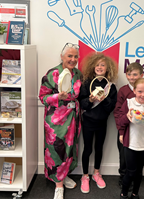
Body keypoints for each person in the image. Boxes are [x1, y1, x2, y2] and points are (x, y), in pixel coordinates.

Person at [39, 43, 82, 199]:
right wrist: (58, 96)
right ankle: (58, 185)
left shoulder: (78, 74)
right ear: (62, 56)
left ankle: (64, 176)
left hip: (73, 117)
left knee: (70, 149)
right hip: (55, 120)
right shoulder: (52, 73)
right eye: (69, 56)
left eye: (75, 56)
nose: (73, 59)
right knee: (56, 149)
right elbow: (42, 97)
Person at [79, 53, 118, 194]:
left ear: (108, 68)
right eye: (97, 65)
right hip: (88, 122)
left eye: (102, 65)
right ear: (92, 67)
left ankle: (96, 173)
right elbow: (82, 104)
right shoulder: (87, 83)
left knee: (99, 148)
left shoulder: (111, 87)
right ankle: (84, 176)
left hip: (102, 122)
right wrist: (89, 100)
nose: (99, 67)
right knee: (87, 149)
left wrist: (103, 99)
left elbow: (111, 107)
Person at [117, 78, 144, 199]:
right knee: (130, 172)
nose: (143, 95)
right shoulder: (129, 103)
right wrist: (126, 118)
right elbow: (120, 121)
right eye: (140, 91)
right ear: (134, 90)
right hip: (130, 144)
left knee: (139, 172)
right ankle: (124, 193)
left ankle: (135, 193)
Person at [114, 62, 143, 188]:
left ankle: (133, 178)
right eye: (129, 74)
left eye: (135, 74)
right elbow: (117, 112)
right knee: (124, 156)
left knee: (136, 156)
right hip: (124, 130)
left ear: (141, 75)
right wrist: (121, 131)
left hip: (139, 131)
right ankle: (123, 178)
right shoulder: (123, 91)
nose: (131, 77)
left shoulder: (143, 90)